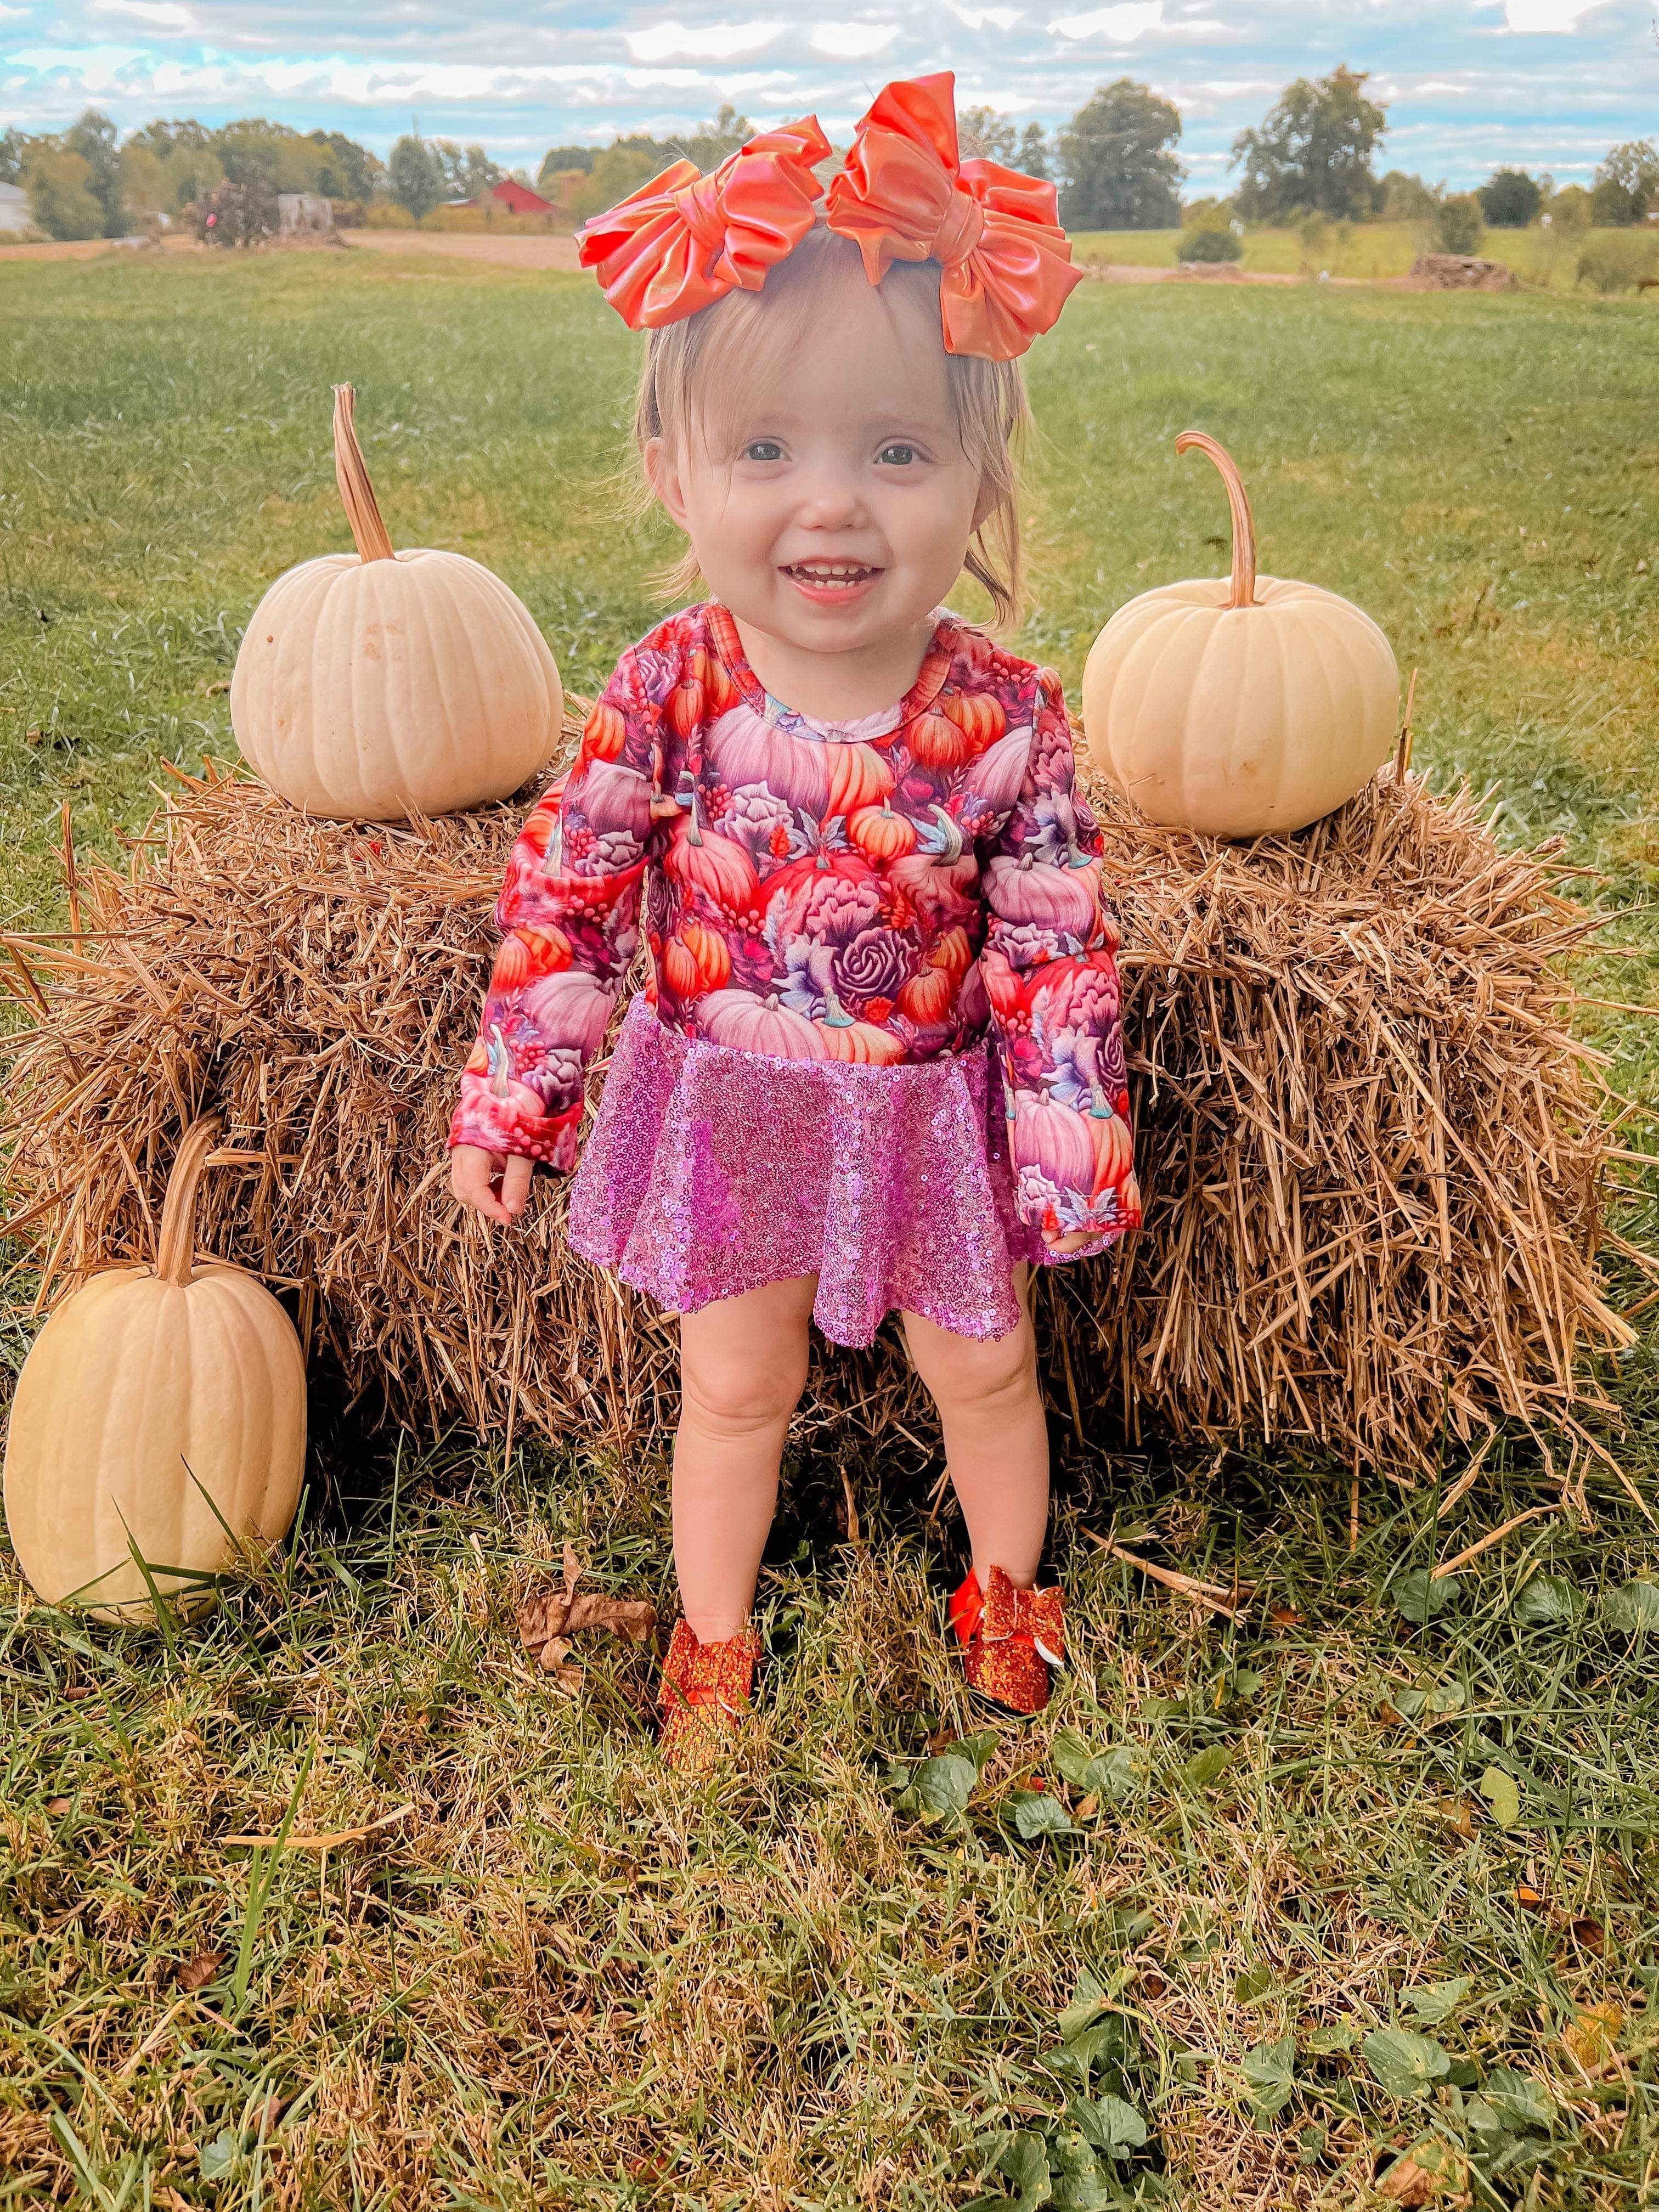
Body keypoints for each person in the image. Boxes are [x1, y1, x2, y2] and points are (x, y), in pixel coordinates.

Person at [449, 74, 1140, 1768]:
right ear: (676, 474)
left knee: (984, 1375)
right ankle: (712, 1638)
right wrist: (519, 1094)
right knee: (734, 1392)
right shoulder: (670, 685)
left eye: (895, 451)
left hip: (928, 1114)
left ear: (978, 479)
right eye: (767, 450)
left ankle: (1005, 1591)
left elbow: (1057, 946)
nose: (830, 503)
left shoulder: (1006, 714)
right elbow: (574, 891)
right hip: (730, 1108)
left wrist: (1069, 1150)